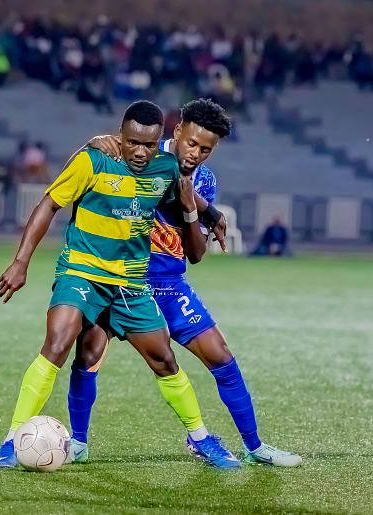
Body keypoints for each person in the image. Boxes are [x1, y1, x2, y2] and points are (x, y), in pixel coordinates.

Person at [0, 100, 239, 470]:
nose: (139, 152)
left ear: (159, 142)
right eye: (132, 142)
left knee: (164, 359)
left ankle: (201, 438)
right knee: (58, 343)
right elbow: (48, 205)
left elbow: (185, 195)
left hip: (131, 282)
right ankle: (12, 440)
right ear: (119, 135)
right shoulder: (93, 160)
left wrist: (211, 213)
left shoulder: (166, 168)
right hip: (82, 271)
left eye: (148, 145)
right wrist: (20, 262)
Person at [66, 99, 302, 467]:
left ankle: (254, 447)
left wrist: (194, 207)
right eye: (191, 143)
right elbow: (102, 163)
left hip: (169, 284)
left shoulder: (205, 180)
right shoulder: (144, 152)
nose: (195, 154)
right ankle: (78, 443)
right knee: (88, 353)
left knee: (221, 355)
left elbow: (196, 254)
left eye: (206, 149)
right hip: (121, 279)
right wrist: (94, 141)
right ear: (177, 131)